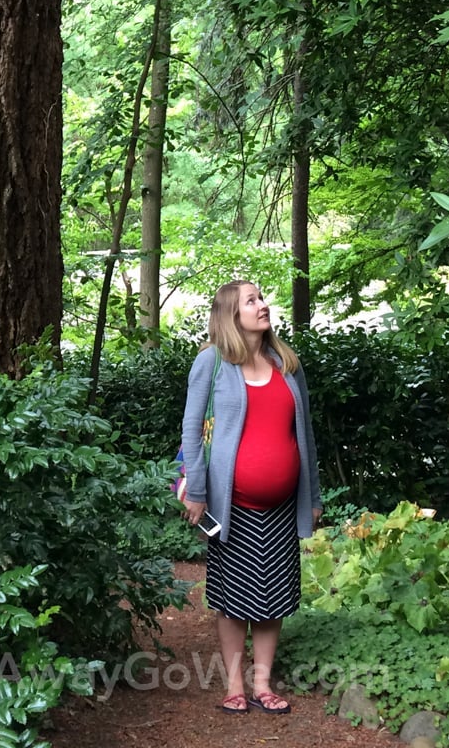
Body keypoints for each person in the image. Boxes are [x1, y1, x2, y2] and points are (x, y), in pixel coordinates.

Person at [180, 280, 321, 716]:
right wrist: (197, 491)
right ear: (230, 313)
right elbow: (191, 430)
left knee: (273, 595)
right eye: (252, 300)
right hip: (232, 507)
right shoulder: (212, 362)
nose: (263, 305)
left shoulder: (286, 363)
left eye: (262, 298)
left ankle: (263, 684)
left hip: (281, 508)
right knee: (233, 597)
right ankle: (235, 686)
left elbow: (307, 437)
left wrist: (313, 496)